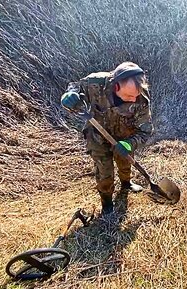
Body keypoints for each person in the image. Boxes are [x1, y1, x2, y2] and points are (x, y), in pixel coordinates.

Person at [61, 62, 153, 215]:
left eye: (135, 95)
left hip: (125, 137)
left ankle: (126, 183)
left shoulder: (141, 98)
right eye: (129, 96)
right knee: (104, 172)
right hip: (97, 136)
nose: (133, 100)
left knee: (125, 162)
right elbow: (75, 87)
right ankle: (107, 203)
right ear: (116, 86)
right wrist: (70, 95)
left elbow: (145, 131)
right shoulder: (96, 83)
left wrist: (130, 144)